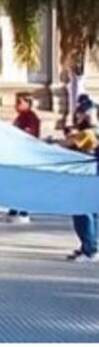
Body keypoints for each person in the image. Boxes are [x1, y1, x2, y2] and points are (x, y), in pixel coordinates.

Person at [59, 100, 97, 262]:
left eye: (80, 114)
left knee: (82, 213)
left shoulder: (88, 133)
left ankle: (89, 249)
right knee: (92, 213)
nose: (78, 117)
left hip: (86, 178)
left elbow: (67, 144)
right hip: (92, 177)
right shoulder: (92, 131)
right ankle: (89, 247)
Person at [2, 93, 41, 223]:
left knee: (23, 184)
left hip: (27, 155)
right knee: (15, 183)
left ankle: (23, 211)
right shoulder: (21, 116)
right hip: (18, 154)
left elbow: (27, 134)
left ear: (27, 103)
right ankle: (14, 209)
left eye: (19, 102)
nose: (16, 105)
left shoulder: (31, 117)